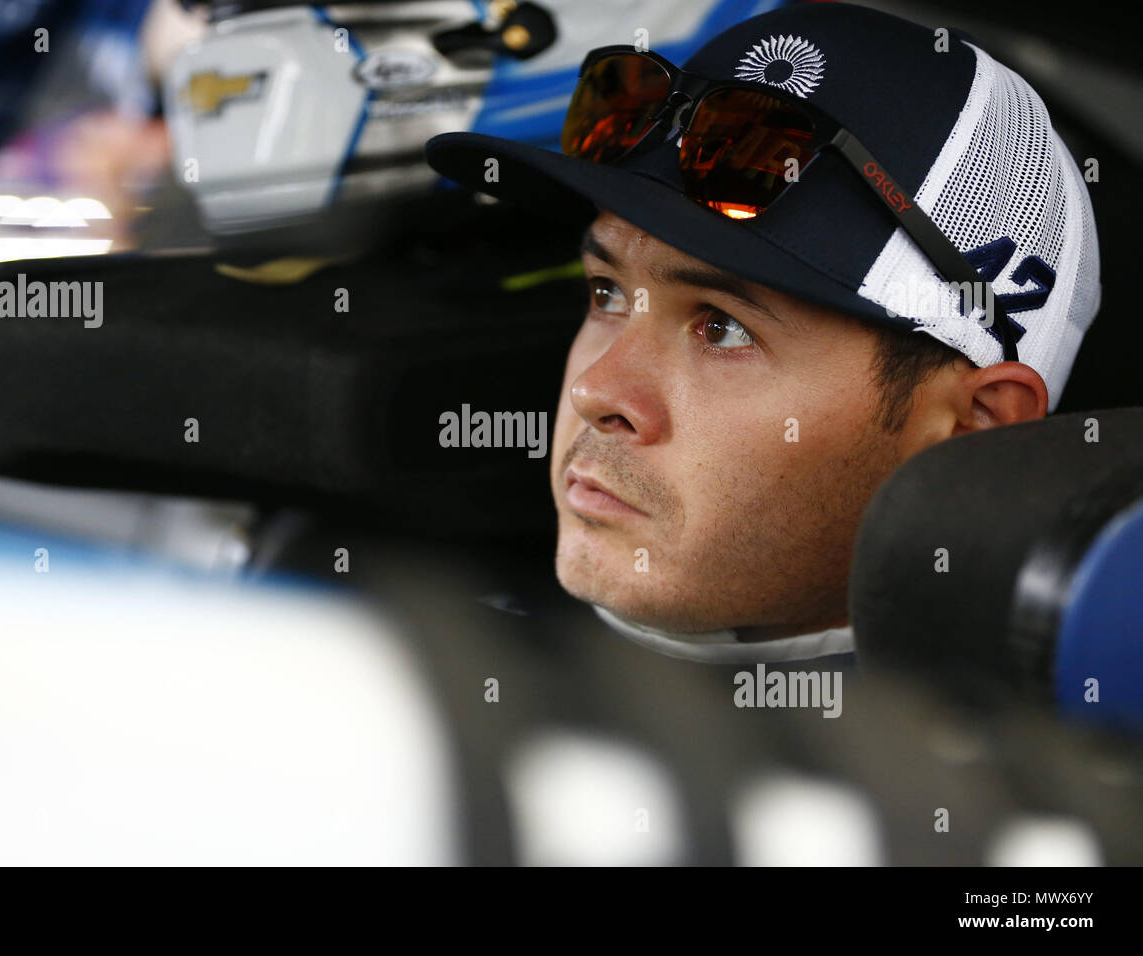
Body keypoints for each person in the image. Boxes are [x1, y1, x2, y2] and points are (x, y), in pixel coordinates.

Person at [424, 2, 1100, 663]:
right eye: (607, 293)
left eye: (722, 329)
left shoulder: (1015, 763)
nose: (596, 392)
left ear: (972, 429)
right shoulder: (400, 652)